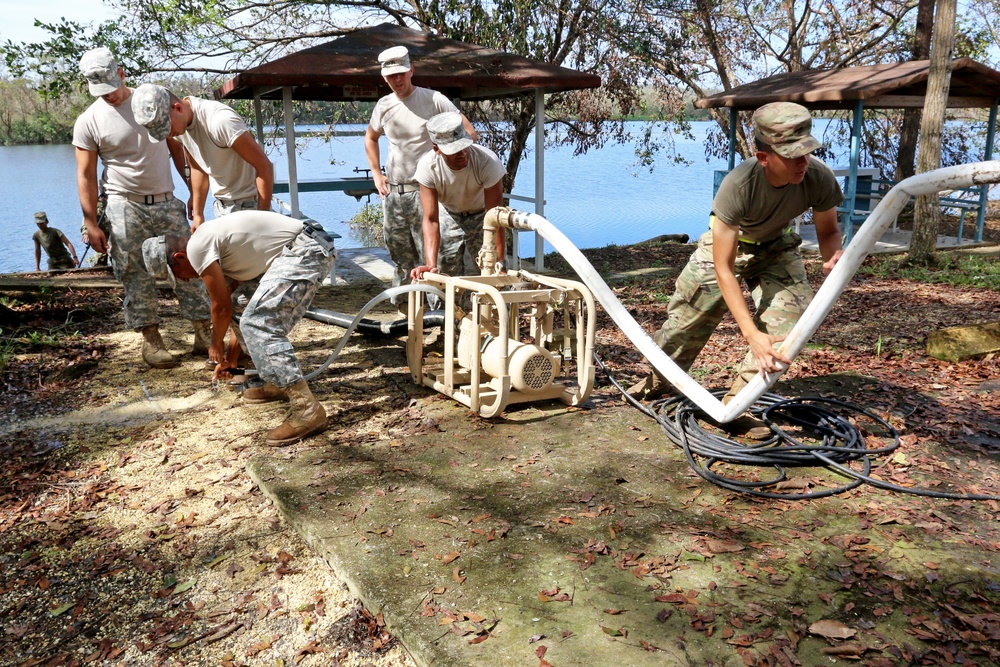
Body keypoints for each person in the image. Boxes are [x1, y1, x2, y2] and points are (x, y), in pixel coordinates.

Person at [627, 102, 844, 438]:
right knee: (685, 324)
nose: (803, 161)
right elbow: (724, 268)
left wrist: (833, 260)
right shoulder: (739, 185)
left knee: (791, 323)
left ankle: (741, 405)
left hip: (776, 248)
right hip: (728, 249)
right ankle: (660, 380)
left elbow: (828, 231)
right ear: (764, 157)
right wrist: (750, 334)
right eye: (792, 154)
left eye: (807, 151)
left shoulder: (817, 177)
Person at [141, 210, 336, 445]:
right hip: (294, 250)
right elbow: (232, 307)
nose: (183, 280)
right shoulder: (209, 244)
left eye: (177, 275)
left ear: (181, 257)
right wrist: (231, 361)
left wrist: (215, 345)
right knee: (242, 306)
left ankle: (307, 410)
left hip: (306, 249)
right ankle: (275, 382)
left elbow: (219, 307)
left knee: (259, 322)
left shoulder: (198, 247)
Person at [73, 47, 212, 370]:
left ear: (121, 73)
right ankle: (152, 339)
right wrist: (90, 221)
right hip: (123, 204)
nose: (108, 95)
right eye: (100, 90)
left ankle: (203, 331)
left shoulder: (150, 102)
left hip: (165, 199)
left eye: (110, 86)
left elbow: (178, 150)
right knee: (134, 272)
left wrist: (193, 191)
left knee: (188, 263)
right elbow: (85, 175)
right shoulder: (89, 121)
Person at [364, 45, 477, 306]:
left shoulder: (434, 99)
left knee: (432, 262)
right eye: (391, 76)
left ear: (411, 70)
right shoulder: (384, 105)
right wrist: (376, 173)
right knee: (401, 260)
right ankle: (409, 324)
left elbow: (469, 133)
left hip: (427, 191)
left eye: (402, 73)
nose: (398, 80)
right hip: (394, 194)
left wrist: (444, 160)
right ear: (384, 78)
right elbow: (370, 138)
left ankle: (441, 319)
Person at [131, 83, 273, 229]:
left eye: (167, 128)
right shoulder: (182, 128)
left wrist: (262, 218)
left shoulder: (220, 121)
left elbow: (264, 166)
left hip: (250, 207)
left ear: (178, 108)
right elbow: (198, 167)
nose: (167, 134)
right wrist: (198, 214)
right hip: (222, 207)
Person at [410, 112, 506, 281]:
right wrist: (431, 265)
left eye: (463, 146)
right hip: (449, 213)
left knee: (492, 273)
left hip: (483, 216)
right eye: (454, 150)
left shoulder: (487, 161)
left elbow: (495, 216)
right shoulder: (428, 167)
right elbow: (431, 219)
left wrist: (500, 264)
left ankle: (494, 305)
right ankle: (446, 307)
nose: (462, 153)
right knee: (442, 274)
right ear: (437, 149)